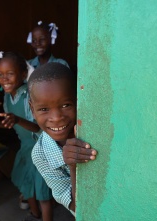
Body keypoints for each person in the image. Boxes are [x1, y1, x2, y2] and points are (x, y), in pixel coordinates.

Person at [0, 52, 54, 221]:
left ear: (24, 75)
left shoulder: (29, 96)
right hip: (26, 148)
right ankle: (34, 215)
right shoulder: (7, 97)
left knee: (42, 194)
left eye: (10, 74)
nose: (4, 79)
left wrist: (18, 119)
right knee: (27, 184)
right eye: (0, 74)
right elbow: (11, 123)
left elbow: (38, 127)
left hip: (41, 147)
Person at [28, 63, 97, 215]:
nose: (56, 118)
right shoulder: (41, 155)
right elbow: (77, 207)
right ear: (32, 109)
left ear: (78, 99)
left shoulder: (96, 129)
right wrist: (72, 166)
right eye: (44, 109)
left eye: (66, 105)